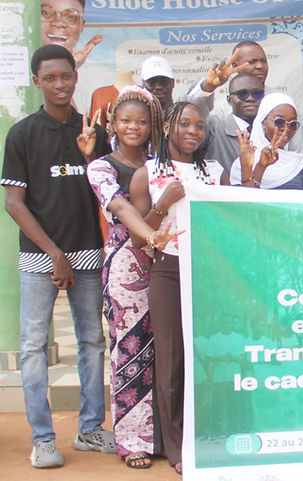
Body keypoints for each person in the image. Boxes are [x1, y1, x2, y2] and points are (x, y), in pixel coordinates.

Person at [2, 44, 115, 469]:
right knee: (33, 348)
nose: (59, 84)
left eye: (65, 76)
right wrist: (54, 255)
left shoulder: (92, 132)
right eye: (49, 78)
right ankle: (43, 438)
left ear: (75, 77)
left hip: (87, 251)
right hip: (39, 258)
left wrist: (92, 156)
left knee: (92, 341)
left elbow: (109, 193)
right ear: (37, 81)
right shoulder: (23, 133)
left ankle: (89, 428)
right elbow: (14, 203)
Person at [85, 86, 179, 469]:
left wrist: (159, 234)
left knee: (166, 349)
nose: (133, 127)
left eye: (141, 121)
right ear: (113, 123)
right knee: (129, 349)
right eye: (125, 120)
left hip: (167, 257)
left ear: (153, 125)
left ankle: (164, 435)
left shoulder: (162, 163)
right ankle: (131, 439)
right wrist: (152, 227)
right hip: (126, 262)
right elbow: (121, 207)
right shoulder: (101, 166)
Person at [129, 100, 222, 475]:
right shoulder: (146, 173)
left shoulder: (215, 171)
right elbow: (139, 239)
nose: (192, 132)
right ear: (168, 127)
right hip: (167, 270)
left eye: (199, 126)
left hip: (207, 272)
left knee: (205, 358)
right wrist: (162, 204)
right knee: (171, 360)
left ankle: (207, 437)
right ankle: (176, 446)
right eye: (184, 124)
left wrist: (252, 171)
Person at [230, 93, 303, 190]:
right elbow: (244, 203)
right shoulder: (243, 163)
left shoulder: (301, 164)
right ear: (263, 121)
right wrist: (259, 167)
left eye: (292, 124)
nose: (286, 129)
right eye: (279, 121)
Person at [187, 41, 269, 117]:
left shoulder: (279, 99)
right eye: (252, 62)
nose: (260, 66)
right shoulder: (220, 109)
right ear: (235, 66)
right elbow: (190, 115)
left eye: (264, 61)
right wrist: (209, 86)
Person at [202, 73, 264, 172]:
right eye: (242, 94)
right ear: (229, 100)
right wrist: (207, 87)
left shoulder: (273, 129)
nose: (250, 98)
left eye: (257, 94)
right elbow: (188, 118)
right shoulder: (214, 127)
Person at [41, 0, 102, 69]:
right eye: (46, 13)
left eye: (71, 17)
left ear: (82, 25)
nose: (59, 23)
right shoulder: (26, 60)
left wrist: (70, 68)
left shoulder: (97, 71)